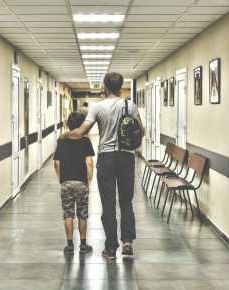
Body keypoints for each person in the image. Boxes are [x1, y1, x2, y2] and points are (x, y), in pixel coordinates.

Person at [62, 72, 144, 260]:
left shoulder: (97, 107)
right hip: (126, 157)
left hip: (106, 158)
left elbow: (82, 131)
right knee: (126, 201)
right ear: (120, 86)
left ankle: (111, 248)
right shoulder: (129, 105)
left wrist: (65, 135)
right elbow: (142, 131)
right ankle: (128, 243)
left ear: (105, 87)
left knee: (108, 203)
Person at [53, 111, 95, 255]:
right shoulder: (85, 141)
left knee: (68, 213)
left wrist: (62, 179)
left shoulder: (62, 141)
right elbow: (89, 163)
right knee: (82, 214)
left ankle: (70, 245)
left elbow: (56, 163)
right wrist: (88, 180)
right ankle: (83, 245)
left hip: (66, 182)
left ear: (69, 124)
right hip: (81, 182)